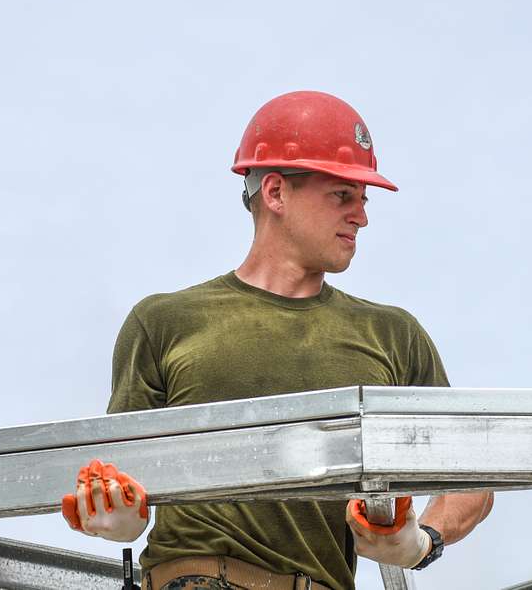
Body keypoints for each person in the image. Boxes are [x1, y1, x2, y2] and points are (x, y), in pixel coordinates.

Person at [61, 91, 493, 590]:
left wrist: (420, 542)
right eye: (342, 195)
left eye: (363, 199)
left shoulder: (392, 335)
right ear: (275, 193)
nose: (362, 216)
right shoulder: (165, 322)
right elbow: (118, 473)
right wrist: (121, 517)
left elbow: (474, 477)